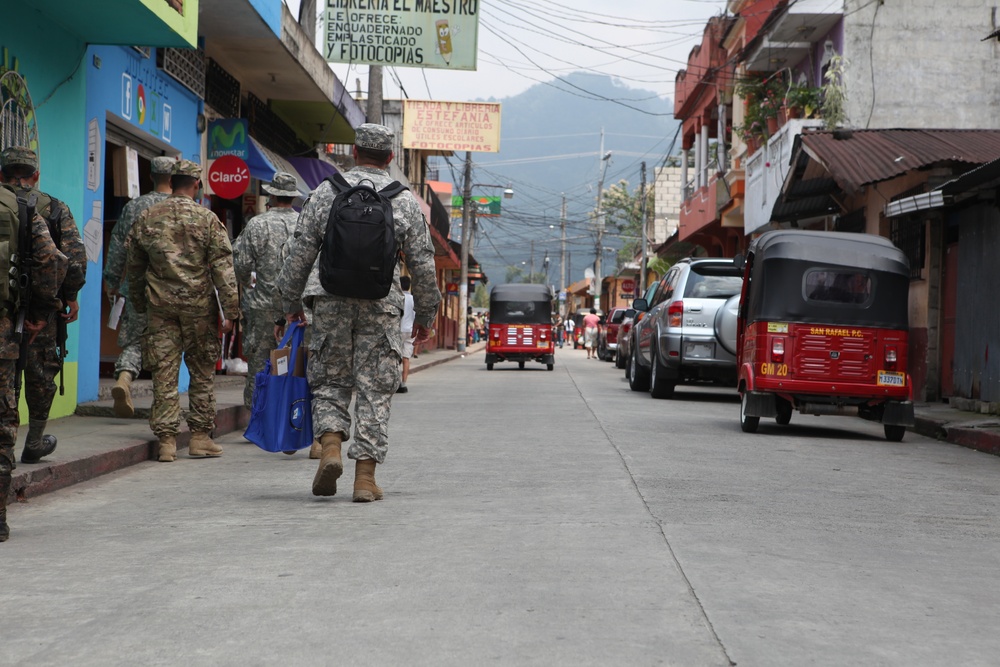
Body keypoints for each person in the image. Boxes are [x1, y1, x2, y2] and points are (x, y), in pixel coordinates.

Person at [277, 123, 441, 502]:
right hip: (380, 306)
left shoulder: (325, 192)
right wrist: (425, 317)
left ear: (354, 152)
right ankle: (364, 479)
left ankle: (331, 446)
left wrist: (289, 306)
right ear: (389, 158)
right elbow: (424, 265)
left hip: (330, 300)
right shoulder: (402, 201)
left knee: (330, 381)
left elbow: (299, 253)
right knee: (375, 389)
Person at [125, 160, 240, 463]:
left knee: (164, 372)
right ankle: (200, 437)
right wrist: (231, 311)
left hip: (159, 309)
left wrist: (138, 302)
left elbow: (134, 268)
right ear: (197, 185)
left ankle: (166, 441)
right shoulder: (207, 219)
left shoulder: (147, 217)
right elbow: (223, 270)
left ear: (171, 182)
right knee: (201, 371)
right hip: (199, 310)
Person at [0, 147, 87, 465]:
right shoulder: (52, 208)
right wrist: (68, 298)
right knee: (40, 374)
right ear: (35, 175)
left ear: (1, 175)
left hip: (5, 308)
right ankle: (34, 441)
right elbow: (72, 259)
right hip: (40, 310)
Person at [0, 165, 68, 542]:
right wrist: (44, 311)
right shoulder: (32, 210)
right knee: (3, 420)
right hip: (7, 330)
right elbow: (56, 261)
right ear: (36, 173)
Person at [104, 156, 175, 418]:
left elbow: (118, 247)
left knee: (134, 341)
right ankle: (162, 405)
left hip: (136, 287)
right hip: (171, 291)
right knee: (167, 346)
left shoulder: (134, 207)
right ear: (173, 178)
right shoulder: (182, 207)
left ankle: (124, 378)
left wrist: (112, 281)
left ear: (151, 177)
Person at [232, 172, 300, 411]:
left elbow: (240, 263)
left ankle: (257, 418)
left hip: (262, 306)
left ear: (271, 194)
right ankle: (288, 416)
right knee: (294, 364)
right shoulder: (303, 224)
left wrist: (246, 282)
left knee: (259, 365)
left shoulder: (258, 223)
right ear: (292, 197)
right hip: (296, 310)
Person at [397, 275, 416, 394]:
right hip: (410, 331)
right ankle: (404, 384)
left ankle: (396, 382)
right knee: (406, 358)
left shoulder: (398, 298)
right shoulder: (414, 299)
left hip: (397, 330)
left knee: (394, 357)